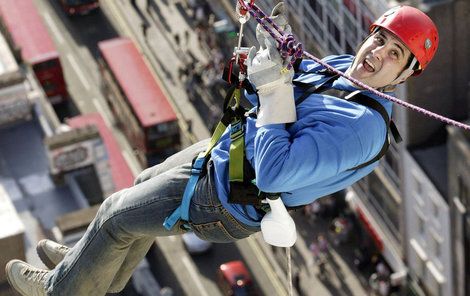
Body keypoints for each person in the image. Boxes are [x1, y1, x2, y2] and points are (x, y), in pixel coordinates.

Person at [5, 3, 438, 295]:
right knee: (135, 190)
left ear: (402, 78)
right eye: (381, 39)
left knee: (117, 217)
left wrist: (272, 90)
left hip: (231, 196)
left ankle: (63, 288)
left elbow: (275, 172)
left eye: (395, 54)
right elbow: (282, 81)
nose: (378, 53)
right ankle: (88, 267)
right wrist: (262, 54)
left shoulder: (361, 128)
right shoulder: (344, 67)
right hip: (226, 154)